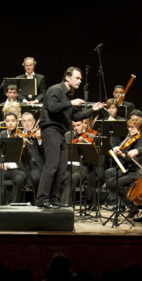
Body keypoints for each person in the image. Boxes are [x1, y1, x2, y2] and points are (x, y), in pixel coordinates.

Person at [36, 67, 104, 209]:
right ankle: (42, 199)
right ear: (67, 78)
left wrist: (93, 110)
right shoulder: (56, 89)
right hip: (51, 130)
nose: (80, 81)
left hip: (60, 133)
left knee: (61, 168)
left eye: (80, 79)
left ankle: (53, 198)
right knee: (52, 166)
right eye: (77, 78)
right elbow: (52, 107)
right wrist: (71, 103)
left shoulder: (67, 96)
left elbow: (76, 116)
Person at [0, 112, 30, 211]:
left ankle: (13, 209)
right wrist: (0, 164)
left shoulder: (21, 135)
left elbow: (26, 158)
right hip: (2, 169)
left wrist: (24, 146)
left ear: (17, 122)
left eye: (13, 121)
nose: (10, 123)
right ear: (5, 122)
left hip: (17, 169)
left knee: (19, 179)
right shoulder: (2, 134)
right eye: (8, 121)